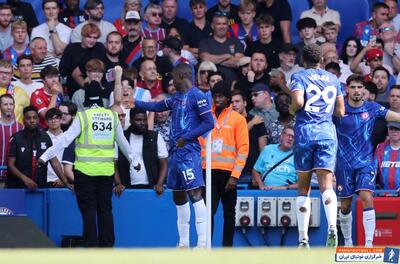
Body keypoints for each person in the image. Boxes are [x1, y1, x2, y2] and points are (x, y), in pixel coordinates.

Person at [39, 66, 132, 247]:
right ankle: (107, 246)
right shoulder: (112, 116)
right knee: (105, 210)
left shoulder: (82, 117)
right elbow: (123, 145)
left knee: (88, 211)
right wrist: (134, 162)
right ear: (103, 99)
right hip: (106, 172)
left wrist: (45, 155)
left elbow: (64, 140)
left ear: (86, 99)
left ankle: (91, 247)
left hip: (84, 173)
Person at [133, 63, 214, 248]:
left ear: (182, 76)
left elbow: (209, 122)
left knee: (195, 193)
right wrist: (135, 103)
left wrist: (187, 137)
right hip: (175, 153)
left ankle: (202, 243)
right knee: (178, 196)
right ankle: (183, 242)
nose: (170, 82)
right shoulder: (176, 97)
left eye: (173, 78)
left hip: (189, 152)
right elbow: (157, 106)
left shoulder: (197, 96)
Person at [289, 43, 345, 248]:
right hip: (327, 134)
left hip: (305, 133)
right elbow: (340, 111)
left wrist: (291, 108)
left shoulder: (299, 77)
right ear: (321, 60)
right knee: (327, 186)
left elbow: (298, 102)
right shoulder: (333, 79)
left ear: (303, 61)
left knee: (303, 188)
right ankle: (332, 227)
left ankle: (303, 238)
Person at [336, 75, 400, 247]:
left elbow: (394, 116)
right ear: (347, 89)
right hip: (343, 164)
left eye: (359, 87)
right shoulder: (339, 110)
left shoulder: (372, 108)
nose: (356, 90)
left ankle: (369, 244)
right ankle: (348, 243)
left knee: (367, 198)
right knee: (345, 206)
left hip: (365, 163)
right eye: (353, 87)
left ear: (364, 90)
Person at [198, 81, 249, 247]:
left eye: (220, 96)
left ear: (228, 98)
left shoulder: (238, 119)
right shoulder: (206, 117)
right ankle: (207, 247)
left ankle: (227, 248)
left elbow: (243, 149)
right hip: (208, 172)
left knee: (229, 213)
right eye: (215, 96)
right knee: (208, 213)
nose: (217, 99)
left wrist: (235, 176)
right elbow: (199, 143)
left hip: (228, 174)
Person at [7, 106, 69, 189]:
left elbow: (55, 162)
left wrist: (66, 183)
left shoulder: (45, 137)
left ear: (38, 120)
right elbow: (11, 165)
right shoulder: (16, 138)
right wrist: (25, 179)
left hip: (40, 187)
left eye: (34, 118)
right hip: (19, 187)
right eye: (28, 118)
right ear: (23, 121)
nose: (32, 121)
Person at [117, 108, 168, 192]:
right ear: (130, 121)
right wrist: (118, 183)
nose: (143, 123)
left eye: (145, 120)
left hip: (152, 188)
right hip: (126, 188)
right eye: (138, 120)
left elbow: (164, 163)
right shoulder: (122, 138)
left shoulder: (155, 137)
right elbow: (114, 163)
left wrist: (159, 184)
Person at [199, 11, 244, 85]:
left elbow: (239, 63)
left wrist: (214, 60)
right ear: (212, 26)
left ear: (228, 25)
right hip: (211, 87)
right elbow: (205, 59)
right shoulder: (205, 43)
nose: (222, 26)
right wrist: (227, 56)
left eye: (224, 24)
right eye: (218, 24)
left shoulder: (236, 42)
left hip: (233, 86)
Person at [231, 89, 266, 183]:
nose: (234, 105)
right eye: (232, 102)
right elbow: (232, 138)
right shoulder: (227, 122)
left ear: (245, 103)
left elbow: (263, 150)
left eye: (237, 101)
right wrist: (251, 124)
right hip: (232, 170)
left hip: (252, 170)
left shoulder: (257, 120)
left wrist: (259, 172)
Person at [253, 125, 297, 190]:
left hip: (287, 192)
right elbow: (255, 170)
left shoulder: (298, 155)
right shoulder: (268, 149)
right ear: (282, 136)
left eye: (293, 137)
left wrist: (285, 187)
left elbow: (303, 183)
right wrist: (261, 185)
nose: (290, 139)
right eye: (288, 135)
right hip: (266, 191)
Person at [0, 94, 23, 187]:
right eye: (5, 104)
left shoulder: (21, 127)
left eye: (11, 104)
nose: (9, 107)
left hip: (15, 177)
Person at [0, 59, 29, 123]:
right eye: (1, 72)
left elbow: (28, 116)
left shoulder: (21, 93)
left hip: (17, 131)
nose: (4, 75)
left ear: (12, 75)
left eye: (7, 73)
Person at [375, 122, 400, 191]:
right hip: (383, 193)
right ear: (388, 130)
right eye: (391, 128)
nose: (394, 131)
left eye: (397, 129)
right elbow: (373, 170)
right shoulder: (380, 147)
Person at [45, 108, 66, 188]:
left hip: (64, 181)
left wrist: (63, 179)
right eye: (50, 119)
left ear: (61, 120)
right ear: (46, 122)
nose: (53, 121)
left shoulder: (68, 138)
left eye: (56, 118)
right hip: (45, 180)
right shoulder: (42, 138)